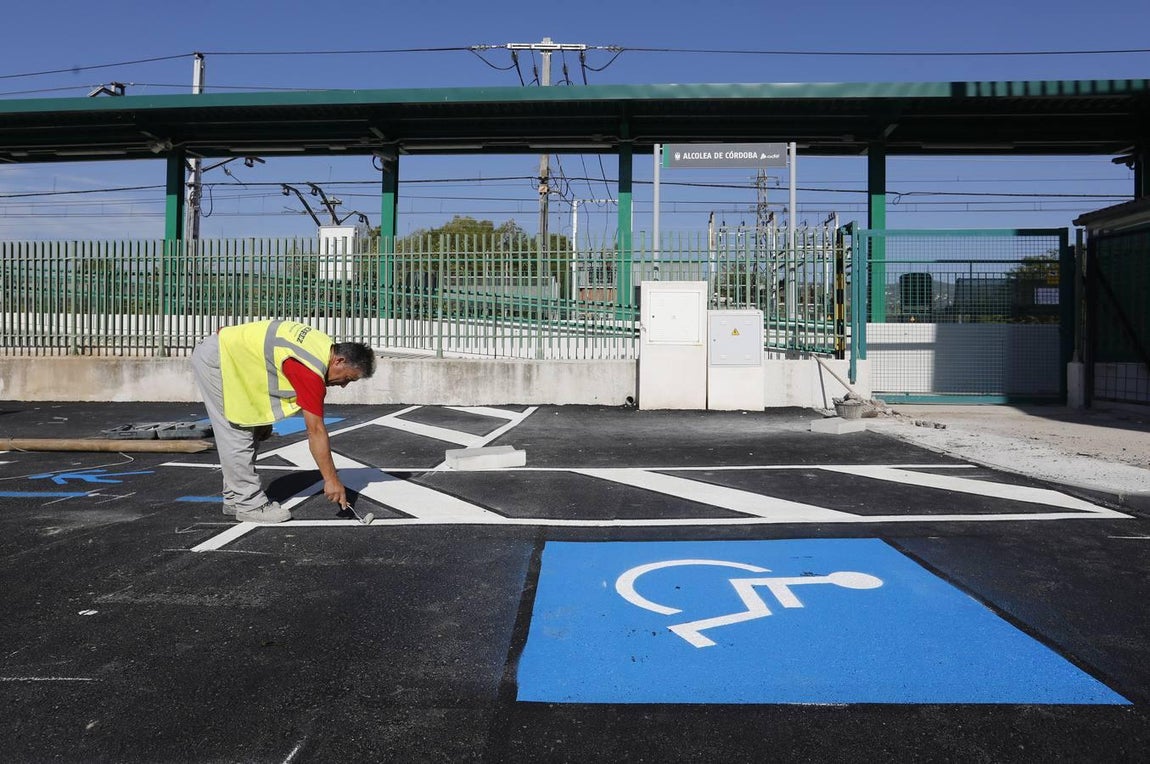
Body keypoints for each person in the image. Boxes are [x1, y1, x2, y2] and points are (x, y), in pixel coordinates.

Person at [190, 319, 375, 524]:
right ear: (339, 361)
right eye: (348, 378)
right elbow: (315, 431)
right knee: (237, 431)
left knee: (252, 429)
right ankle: (250, 505)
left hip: (234, 359)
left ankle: (235, 498)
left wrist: (262, 420)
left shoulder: (321, 346)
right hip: (221, 360)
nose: (343, 386)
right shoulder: (311, 370)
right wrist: (331, 479)